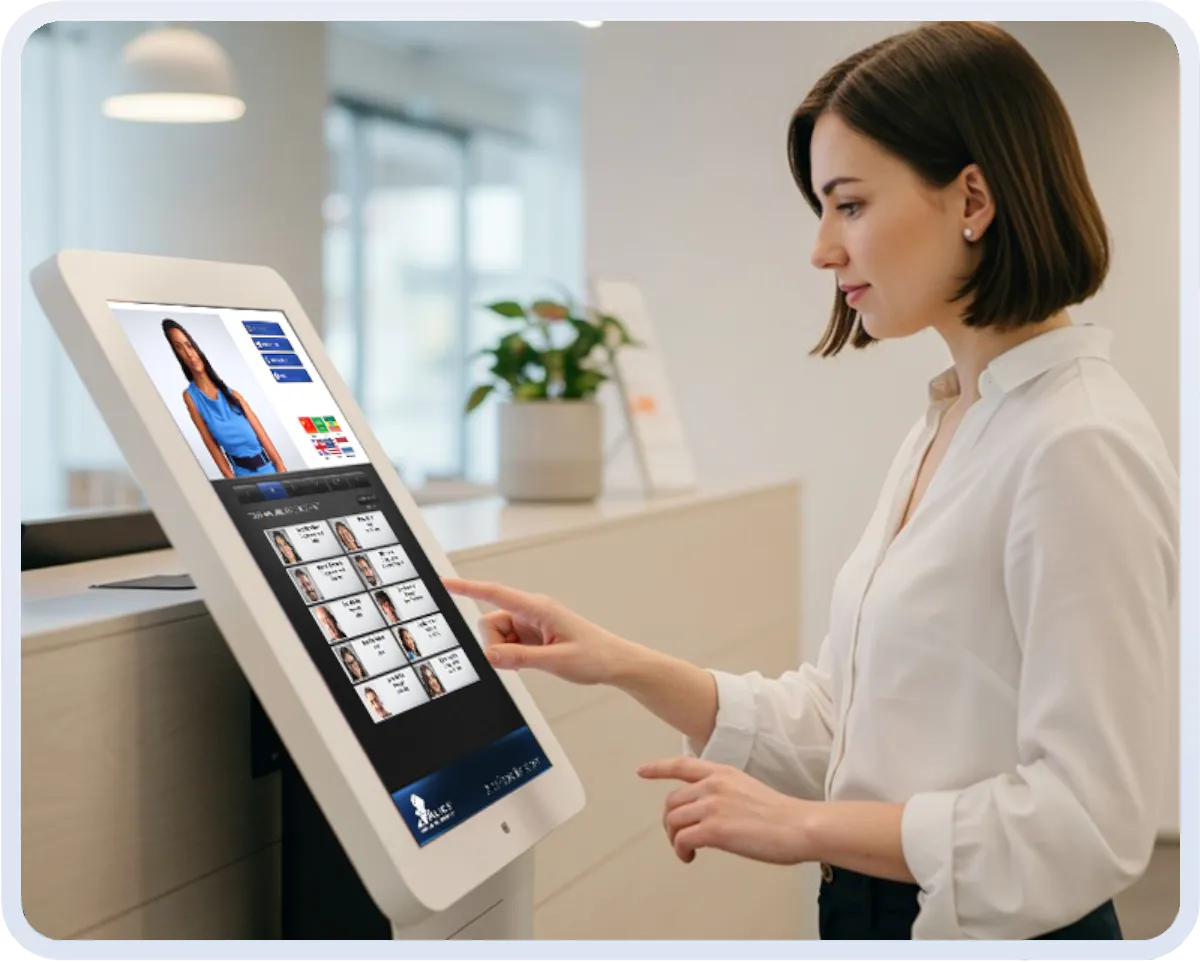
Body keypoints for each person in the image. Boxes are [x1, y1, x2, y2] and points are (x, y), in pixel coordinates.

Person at [442, 22, 1179, 942]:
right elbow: (849, 721)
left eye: (850, 205)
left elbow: (1089, 823)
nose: (823, 251)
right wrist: (621, 663)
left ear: (974, 198)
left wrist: (802, 827)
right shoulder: (952, 418)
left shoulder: (1078, 443)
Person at [162, 319, 287, 478]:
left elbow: (263, 436)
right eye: (179, 348)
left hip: (269, 470)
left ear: (196, 348)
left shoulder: (233, 395)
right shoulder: (190, 397)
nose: (188, 353)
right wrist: (232, 481)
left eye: (189, 345)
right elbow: (211, 445)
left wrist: (281, 470)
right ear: (176, 354)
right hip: (241, 476)